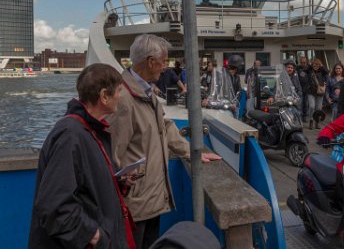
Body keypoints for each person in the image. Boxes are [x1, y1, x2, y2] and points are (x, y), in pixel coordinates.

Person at [107, 34, 221, 249]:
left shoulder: (144, 91)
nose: (166, 67)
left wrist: (191, 152)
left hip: (149, 199)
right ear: (150, 61)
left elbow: (164, 127)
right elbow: (113, 153)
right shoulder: (123, 99)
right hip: (134, 204)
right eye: (164, 61)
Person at [29, 63, 137, 249]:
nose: (120, 96)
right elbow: (54, 206)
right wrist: (96, 237)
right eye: (118, 91)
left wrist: (118, 182)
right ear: (104, 96)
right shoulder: (71, 135)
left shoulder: (90, 130)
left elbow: (86, 186)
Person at [307, 58, 328, 130]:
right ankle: (311, 121)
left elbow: (327, 71)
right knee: (312, 106)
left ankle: (317, 122)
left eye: (317, 65)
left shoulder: (322, 71)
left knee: (318, 108)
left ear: (319, 65)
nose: (315, 66)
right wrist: (310, 65)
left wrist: (321, 66)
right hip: (311, 91)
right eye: (314, 65)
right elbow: (305, 69)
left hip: (320, 92)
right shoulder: (309, 70)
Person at [227, 54, 243, 119]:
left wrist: (236, 103)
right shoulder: (225, 76)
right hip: (227, 104)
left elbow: (239, 90)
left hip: (235, 104)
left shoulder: (237, 77)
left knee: (236, 121)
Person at [297, 56, 311, 123]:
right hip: (300, 89)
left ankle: (305, 117)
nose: (303, 63)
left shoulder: (309, 68)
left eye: (304, 62)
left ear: (306, 62)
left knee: (306, 104)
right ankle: (300, 117)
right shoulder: (297, 68)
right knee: (300, 104)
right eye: (302, 62)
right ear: (300, 62)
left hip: (307, 89)